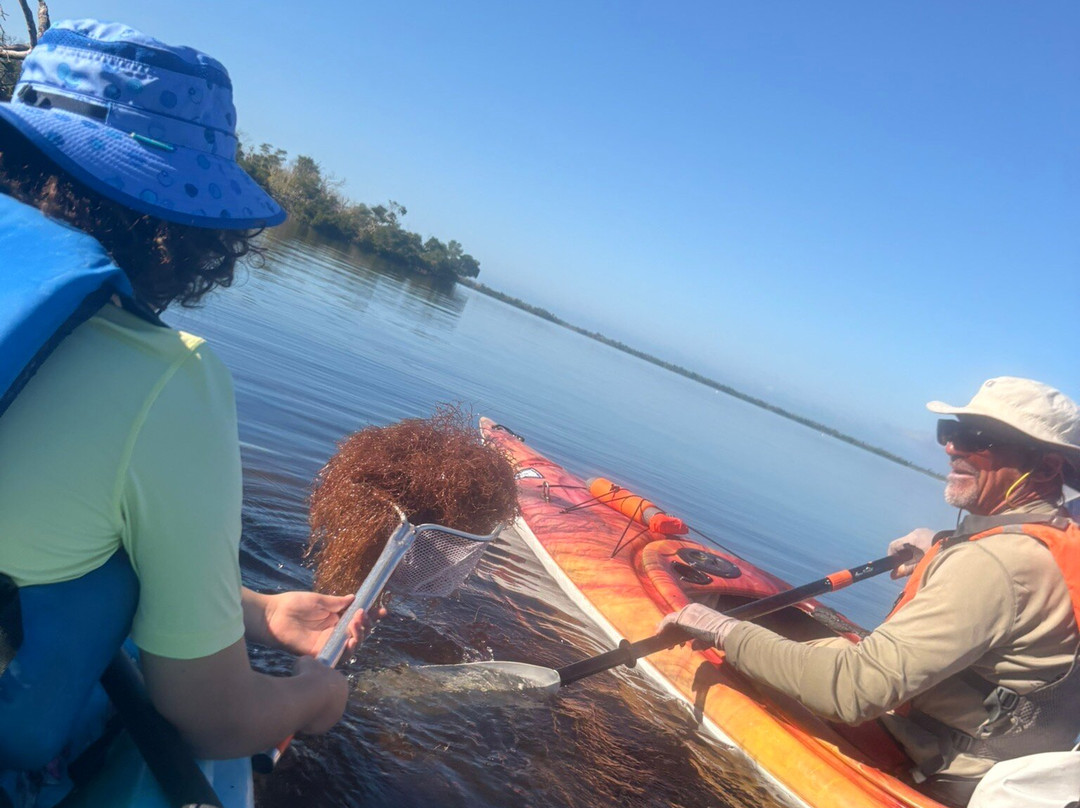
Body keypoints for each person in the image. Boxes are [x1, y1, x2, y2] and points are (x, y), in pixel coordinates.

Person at [0, 19, 366, 803]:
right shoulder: (168, 381)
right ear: (185, 231)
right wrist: (316, 697)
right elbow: (212, 719)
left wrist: (264, 612)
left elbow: (41, 530)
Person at [660, 376, 1080, 807]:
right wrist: (939, 547)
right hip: (986, 750)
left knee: (747, 653)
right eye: (952, 432)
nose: (952, 447)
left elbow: (852, 690)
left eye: (981, 438)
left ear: (1047, 468)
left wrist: (720, 628)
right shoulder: (1049, 539)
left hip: (939, 769)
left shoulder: (995, 565)